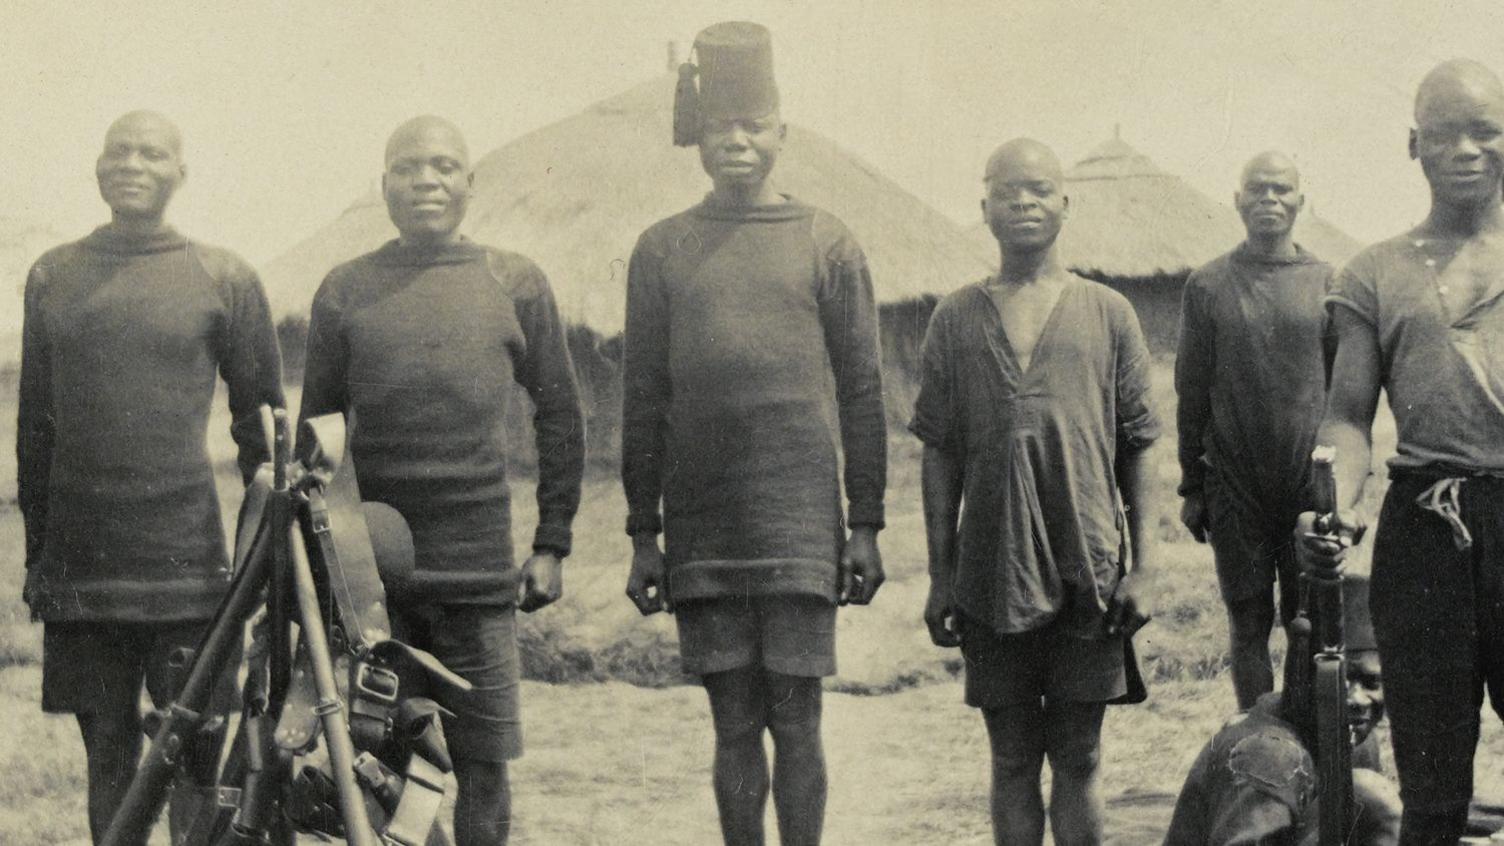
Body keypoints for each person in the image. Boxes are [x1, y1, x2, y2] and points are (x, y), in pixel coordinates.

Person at [620, 21, 887, 846]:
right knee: (733, 723)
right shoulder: (661, 249)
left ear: (783, 133)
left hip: (799, 524)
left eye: (753, 125)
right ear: (695, 136)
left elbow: (863, 391)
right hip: (705, 528)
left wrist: (867, 525)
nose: (736, 141)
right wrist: (642, 535)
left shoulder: (827, 241)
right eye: (718, 126)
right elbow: (642, 398)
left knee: (798, 719)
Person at [298, 115, 585, 846]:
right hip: (374, 586)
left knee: (484, 766)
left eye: (444, 166)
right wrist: (328, 570)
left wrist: (551, 543)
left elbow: (561, 415)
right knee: (375, 765)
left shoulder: (513, 283)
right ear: (383, 183)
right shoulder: (345, 290)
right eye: (407, 167)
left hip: (479, 577)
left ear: (469, 183)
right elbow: (318, 443)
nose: (426, 180)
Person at [16, 110, 283, 843]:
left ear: (180, 173)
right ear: (98, 167)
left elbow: (263, 436)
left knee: (196, 759)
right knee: (109, 761)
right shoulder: (53, 276)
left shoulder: (223, 277)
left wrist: (260, 563)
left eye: (152, 153)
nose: (132, 164)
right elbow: (34, 430)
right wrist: (41, 560)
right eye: (118, 151)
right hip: (85, 571)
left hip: (188, 575)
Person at [913, 138, 1159, 846]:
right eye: (1008, 189)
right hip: (993, 573)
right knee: (1013, 756)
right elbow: (940, 454)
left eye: (1040, 188)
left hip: (1090, 570)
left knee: (1079, 755)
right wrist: (940, 577)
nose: (1024, 201)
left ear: (1065, 203)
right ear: (983, 205)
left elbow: (1139, 444)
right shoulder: (955, 318)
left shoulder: (1109, 313)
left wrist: (1143, 568)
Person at [1295, 58, 1504, 844]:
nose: (1467, 150)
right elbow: (1347, 415)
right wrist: (1336, 507)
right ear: (1413, 144)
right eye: (1445, 133)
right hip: (1425, 531)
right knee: (1433, 788)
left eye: (1486, 131)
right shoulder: (1374, 272)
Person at [1175, 151, 1338, 710]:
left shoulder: (1326, 282)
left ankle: (1305, 738)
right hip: (1234, 484)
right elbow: (1191, 393)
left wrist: (1336, 491)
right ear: (1237, 200)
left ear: (1300, 200)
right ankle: (1256, 745)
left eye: (1281, 189)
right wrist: (1191, 487)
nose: (1269, 199)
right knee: (1248, 617)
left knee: (1308, 619)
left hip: (1305, 484)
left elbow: (1345, 396)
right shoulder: (1208, 285)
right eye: (1258, 189)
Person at [1164, 576, 1401, 845]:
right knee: (1372, 796)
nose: (1357, 699)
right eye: (1341, 680)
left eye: (1372, 683)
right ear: (1306, 675)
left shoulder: (1356, 739)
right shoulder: (1266, 755)